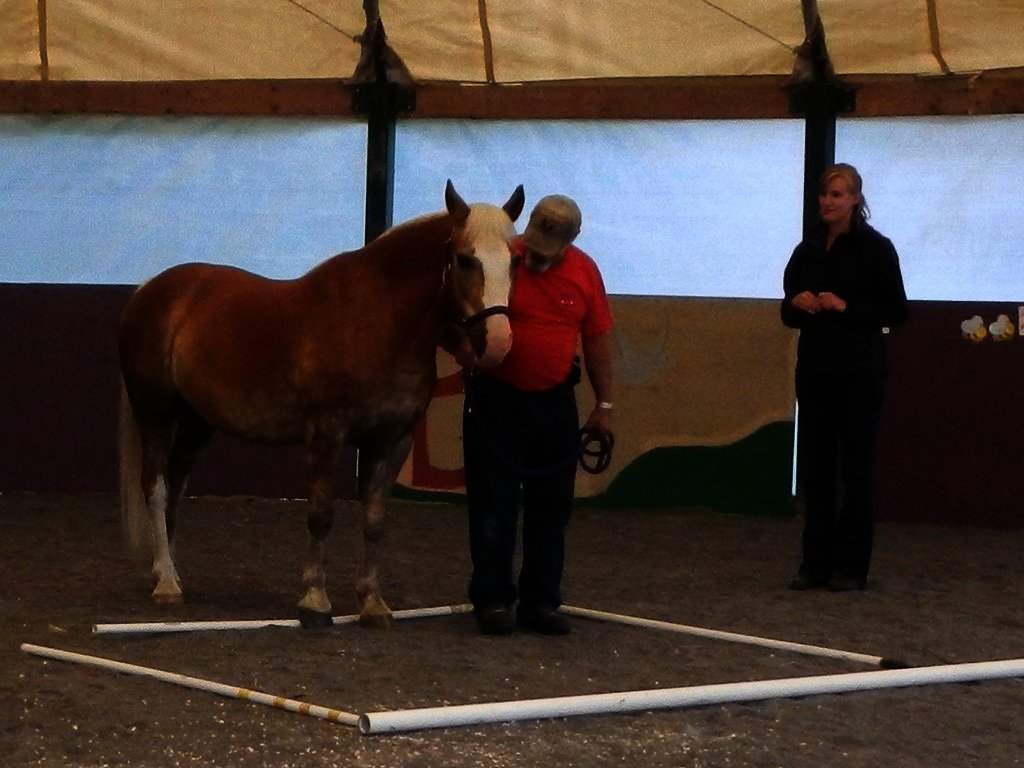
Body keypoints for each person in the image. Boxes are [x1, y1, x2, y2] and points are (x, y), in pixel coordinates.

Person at [462, 193, 614, 635]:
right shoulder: (501, 259)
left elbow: (597, 340)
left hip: (554, 402)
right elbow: (466, 306)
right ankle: (492, 598)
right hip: (497, 397)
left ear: (571, 242)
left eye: (549, 251)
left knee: (552, 506)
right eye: (533, 245)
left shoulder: (585, 273)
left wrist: (604, 404)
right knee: (493, 503)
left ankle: (541, 600)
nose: (536, 257)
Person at [781, 163, 908, 592]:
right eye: (824, 194)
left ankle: (852, 567)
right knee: (816, 469)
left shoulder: (877, 249)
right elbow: (786, 310)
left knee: (855, 471)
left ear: (855, 199)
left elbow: (897, 311)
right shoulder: (807, 249)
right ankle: (815, 563)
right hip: (815, 371)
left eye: (837, 194)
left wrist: (846, 307)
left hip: (860, 373)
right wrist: (796, 303)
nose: (828, 202)